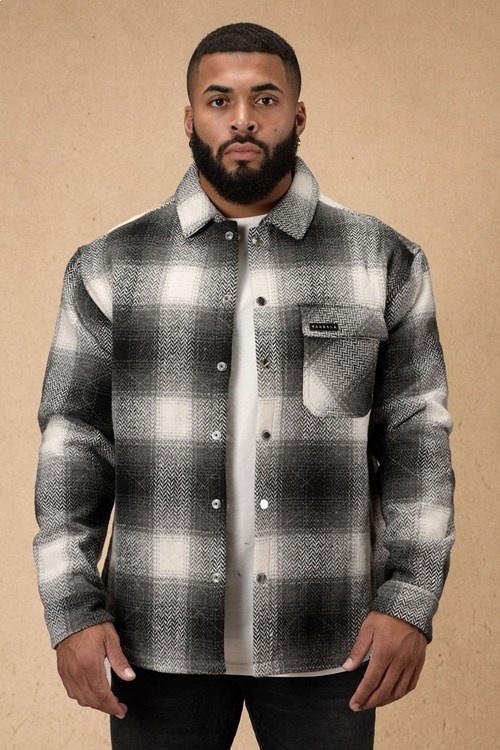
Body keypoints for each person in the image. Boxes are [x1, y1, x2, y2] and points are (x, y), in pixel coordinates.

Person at [33, 22, 455, 750]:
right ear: (189, 118)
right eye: (218, 100)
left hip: (329, 641)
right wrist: (71, 609)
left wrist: (410, 599)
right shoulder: (111, 265)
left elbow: (418, 440)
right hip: (153, 642)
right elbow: (74, 445)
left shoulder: (380, 259)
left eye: (264, 98)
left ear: (298, 114)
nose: (242, 119)